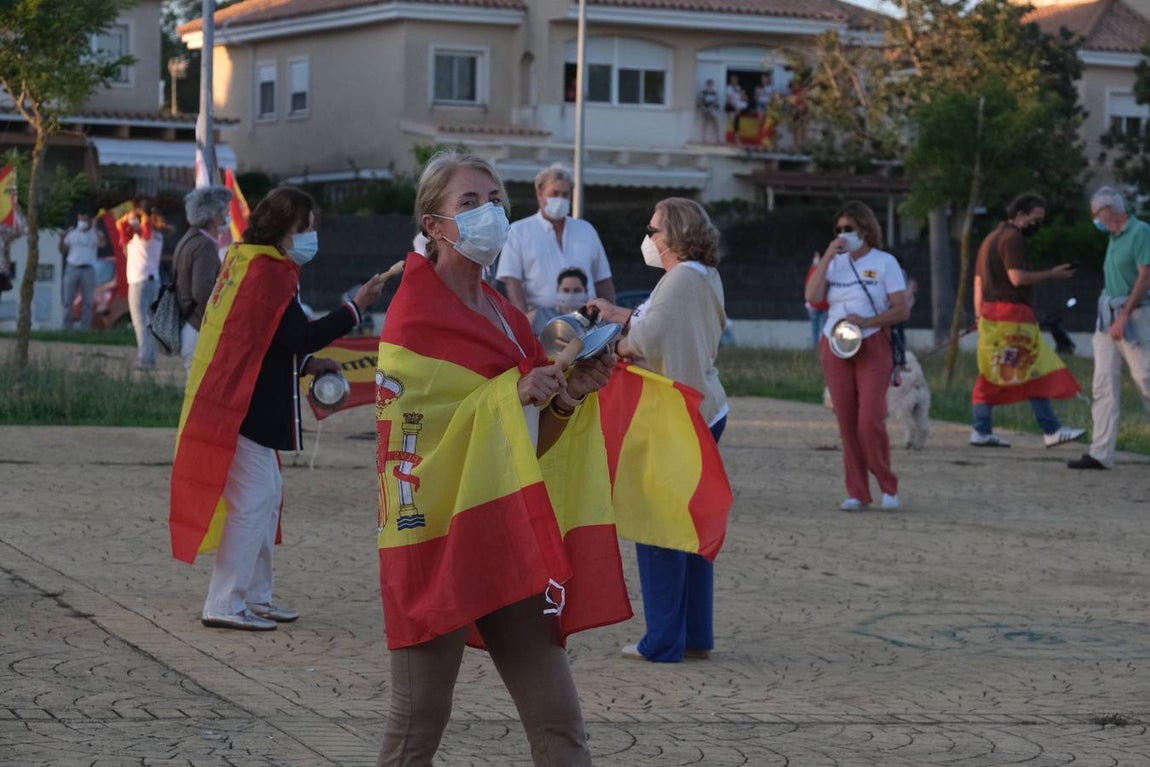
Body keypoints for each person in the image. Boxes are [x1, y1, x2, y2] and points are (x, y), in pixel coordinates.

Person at [376, 151, 622, 765]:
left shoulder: (507, 315)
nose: (490, 212)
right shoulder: (414, 316)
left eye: (496, 200)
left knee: (560, 720)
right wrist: (510, 395)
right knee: (418, 724)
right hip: (436, 540)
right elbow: (413, 442)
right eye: (470, 202)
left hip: (505, 534)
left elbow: (523, 444)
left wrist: (567, 397)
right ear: (434, 225)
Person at [169, 186, 387, 630]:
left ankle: (255, 596)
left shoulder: (250, 264)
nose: (311, 236)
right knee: (254, 501)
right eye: (305, 229)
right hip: (238, 406)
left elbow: (265, 339)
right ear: (283, 230)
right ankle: (225, 603)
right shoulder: (267, 272)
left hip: (240, 401)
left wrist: (307, 362)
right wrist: (355, 308)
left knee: (266, 500)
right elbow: (294, 337)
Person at [588, 197, 729, 664]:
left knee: (658, 527)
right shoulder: (702, 277)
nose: (648, 238)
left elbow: (646, 339)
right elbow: (663, 327)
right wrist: (618, 314)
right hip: (703, 406)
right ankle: (693, 633)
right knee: (688, 528)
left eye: (653, 230)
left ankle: (663, 640)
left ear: (673, 235)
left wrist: (611, 333)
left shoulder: (679, 280)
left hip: (675, 412)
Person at [805, 201, 910, 511]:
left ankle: (886, 483)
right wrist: (828, 255)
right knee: (847, 421)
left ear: (864, 229)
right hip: (835, 343)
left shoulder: (885, 262)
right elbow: (812, 296)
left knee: (870, 419)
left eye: (848, 229)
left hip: (872, 341)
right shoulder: (834, 263)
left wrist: (868, 322)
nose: (843, 235)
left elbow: (901, 309)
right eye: (838, 230)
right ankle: (858, 492)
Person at [970, 193, 1084, 449]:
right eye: (1036, 219)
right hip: (1013, 315)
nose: (1038, 225)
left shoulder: (989, 239)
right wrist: (1052, 274)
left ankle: (981, 429)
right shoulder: (1013, 239)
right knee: (1034, 367)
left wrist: (979, 317)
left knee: (992, 370)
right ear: (1020, 215)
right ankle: (1051, 429)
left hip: (990, 314)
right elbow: (1017, 278)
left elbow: (978, 282)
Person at [1068, 186, 1150, 470]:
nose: (1095, 221)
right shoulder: (1114, 238)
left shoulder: (1140, 232)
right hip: (1107, 317)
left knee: (1145, 379)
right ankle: (1100, 453)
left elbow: (1145, 276)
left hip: (1135, 316)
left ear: (1107, 211)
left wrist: (1124, 316)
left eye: (1095, 215)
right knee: (1103, 384)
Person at [496, 163, 615, 315]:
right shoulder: (519, 231)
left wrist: (613, 321)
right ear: (540, 194)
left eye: (565, 195)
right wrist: (524, 322)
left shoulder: (586, 230)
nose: (560, 199)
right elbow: (512, 282)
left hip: (587, 318)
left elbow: (603, 280)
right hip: (541, 320)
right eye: (554, 194)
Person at [173, 185, 233, 373]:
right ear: (213, 215)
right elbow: (202, 291)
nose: (227, 216)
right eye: (225, 211)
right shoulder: (204, 245)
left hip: (190, 326)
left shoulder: (189, 239)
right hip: (199, 330)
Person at [119, 202, 160, 371]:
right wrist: (133, 215)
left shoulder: (145, 236)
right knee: (149, 321)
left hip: (138, 282)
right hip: (154, 281)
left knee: (139, 321)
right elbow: (120, 228)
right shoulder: (158, 236)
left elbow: (121, 225)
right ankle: (150, 356)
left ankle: (145, 359)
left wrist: (136, 216)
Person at [59, 209, 106, 330]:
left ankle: (85, 327)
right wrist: (62, 237)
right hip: (72, 267)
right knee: (68, 300)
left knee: (88, 302)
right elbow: (62, 249)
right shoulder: (72, 233)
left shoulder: (95, 233)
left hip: (88, 269)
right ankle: (66, 327)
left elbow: (102, 244)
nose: (82, 222)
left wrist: (94, 226)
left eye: (84, 219)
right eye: (80, 219)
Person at [529, 266, 589, 336]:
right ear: (557, 290)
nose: (571, 295)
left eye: (576, 290)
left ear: (586, 291)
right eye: (566, 290)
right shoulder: (539, 315)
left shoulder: (594, 318)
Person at [804, 252, 830, 348]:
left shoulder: (814, 269)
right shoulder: (827, 269)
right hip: (821, 305)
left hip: (817, 305)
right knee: (823, 329)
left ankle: (817, 347)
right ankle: (820, 347)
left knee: (817, 328)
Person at [697, 78, 722, 144]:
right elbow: (700, 101)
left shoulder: (715, 93)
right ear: (706, 85)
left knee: (716, 124)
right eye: (709, 84)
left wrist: (711, 108)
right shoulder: (702, 93)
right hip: (705, 110)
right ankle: (703, 139)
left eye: (711, 84)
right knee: (705, 124)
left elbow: (716, 102)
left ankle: (718, 139)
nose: (710, 85)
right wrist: (704, 108)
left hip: (713, 110)